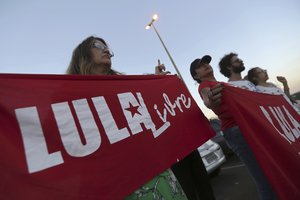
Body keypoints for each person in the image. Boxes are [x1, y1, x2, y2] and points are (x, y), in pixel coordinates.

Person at [67, 36, 187, 200]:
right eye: (98, 45)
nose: (106, 50)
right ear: (83, 55)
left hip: (158, 173)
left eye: (107, 46)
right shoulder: (69, 99)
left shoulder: (125, 87)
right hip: (120, 184)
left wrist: (158, 83)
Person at [190, 55, 277, 200]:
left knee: (270, 172)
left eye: (207, 63)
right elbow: (207, 99)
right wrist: (210, 99)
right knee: (264, 179)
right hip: (236, 132)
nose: (206, 65)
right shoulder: (204, 86)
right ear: (195, 75)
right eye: (200, 66)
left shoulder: (223, 84)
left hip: (247, 127)